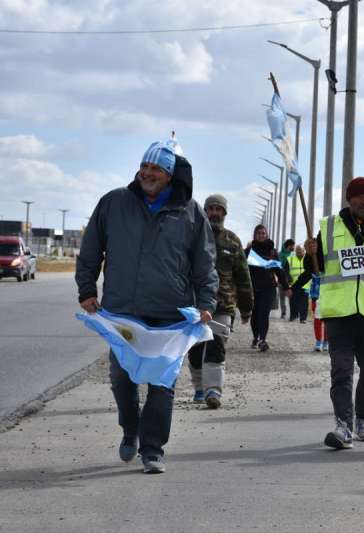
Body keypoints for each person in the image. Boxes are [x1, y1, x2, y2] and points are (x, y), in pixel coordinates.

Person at [75, 137, 218, 473]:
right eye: (144, 166)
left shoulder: (191, 212)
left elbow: (205, 265)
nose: (147, 173)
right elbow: (91, 250)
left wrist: (207, 303)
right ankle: (130, 428)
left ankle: (153, 449)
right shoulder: (114, 203)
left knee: (161, 382)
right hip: (122, 311)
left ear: (170, 174)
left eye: (156, 168)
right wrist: (86, 289)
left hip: (171, 315)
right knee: (122, 378)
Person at [298, 176, 364, 450]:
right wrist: (310, 254)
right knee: (341, 371)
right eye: (359, 196)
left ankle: (363, 419)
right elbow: (318, 267)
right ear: (349, 199)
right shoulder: (330, 226)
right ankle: (343, 426)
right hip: (340, 312)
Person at [187, 194, 253, 409]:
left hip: (224, 304)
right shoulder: (192, 236)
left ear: (225, 213)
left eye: (219, 209)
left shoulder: (232, 241)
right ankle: (199, 387)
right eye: (211, 208)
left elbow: (243, 276)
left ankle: (213, 390)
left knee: (216, 346)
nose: (214, 212)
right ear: (205, 211)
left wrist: (246, 307)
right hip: (194, 303)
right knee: (195, 349)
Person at [245, 225, 290, 352]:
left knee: (264, 313)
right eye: (259, 233)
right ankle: (256, 337)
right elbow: (241, 269)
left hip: (268, 288)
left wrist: (286, 286)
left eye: (263, 233)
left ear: (267, 235)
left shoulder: (272, 252)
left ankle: (262, 339)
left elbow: (279, 270)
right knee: (255, 314)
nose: (261, 235)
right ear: (255, 235)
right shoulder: (249, 251)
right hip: (253, 288)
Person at [286, 244, 310, 323]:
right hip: (293, 284)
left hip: (305, 284)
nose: (299, 252)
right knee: (293, 301)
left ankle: (303, 318)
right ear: (295, 251)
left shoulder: (307, 259)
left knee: (304, 302)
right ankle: (293, 315)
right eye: (298, 250)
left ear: (304, 251)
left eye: (301, 250)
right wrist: (287, 279)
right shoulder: (290, 259)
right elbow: (285, 271)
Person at [309, 273, 328, 352]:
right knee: (317, 321)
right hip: (316, 296)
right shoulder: (314, 270)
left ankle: (326, 343)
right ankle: (318, 342)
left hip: (328, 296)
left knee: (328, 321)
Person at [278, 239, 295, 319]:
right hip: (282, 279)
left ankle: (293, 313)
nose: (293, 247)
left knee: (291, 297)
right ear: (289, 246)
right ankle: (283, 312)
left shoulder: (293, 255)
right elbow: (279, 267)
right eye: (292, 246)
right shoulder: (281, 255)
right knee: (282, 297)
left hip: (291, 279)